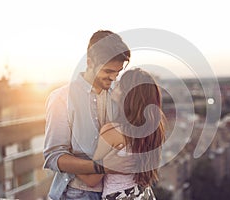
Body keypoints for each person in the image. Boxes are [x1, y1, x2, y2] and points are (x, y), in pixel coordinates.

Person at [43, 30, 132, 200]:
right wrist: (101, 168)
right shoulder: (61, 99)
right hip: (75, 194)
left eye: (118, 72)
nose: (113, 77)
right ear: (90, 62)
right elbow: (54, 157)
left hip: (114, 193)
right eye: (108, 71)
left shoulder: (119, 94)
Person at [76, 68, 166, 200]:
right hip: (143, 194)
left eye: (119, 85)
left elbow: (91, 180)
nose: (114, 85)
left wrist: (66, 159)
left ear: (127, 95)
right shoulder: (154, 129)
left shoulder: (112, 132)